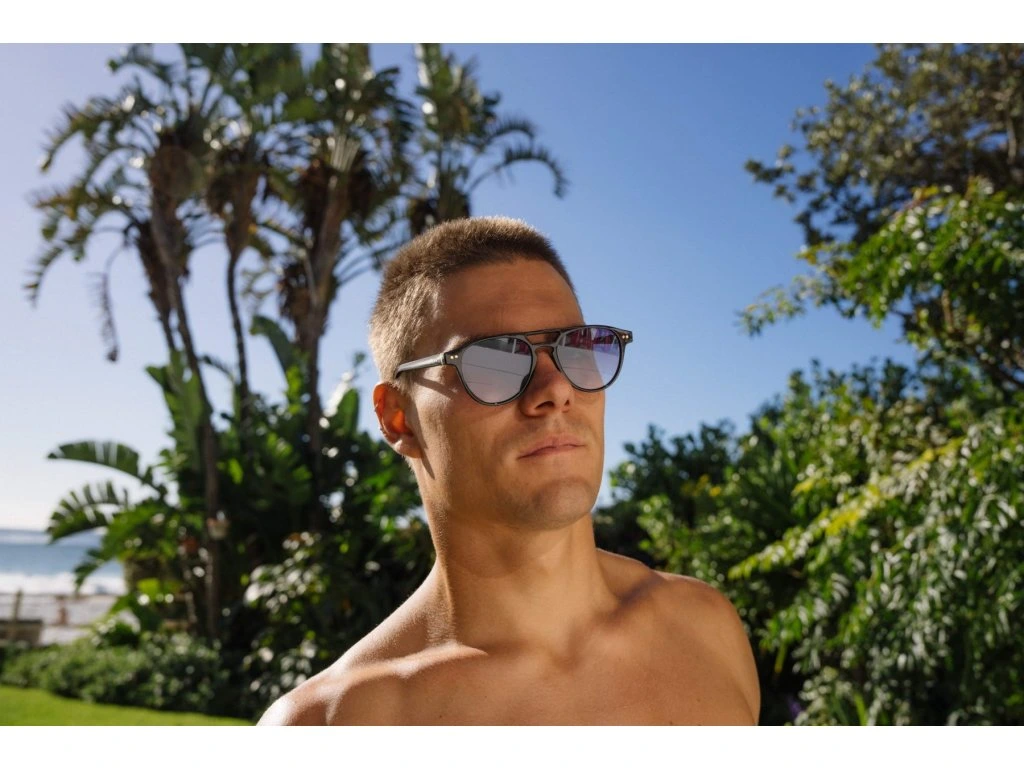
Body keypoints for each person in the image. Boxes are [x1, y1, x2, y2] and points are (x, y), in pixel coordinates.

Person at [259, 217, 760, 725]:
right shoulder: (334, 726)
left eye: (577, 348)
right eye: (493, 361)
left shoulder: (706, 627)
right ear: (398, 418)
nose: (557, 389)